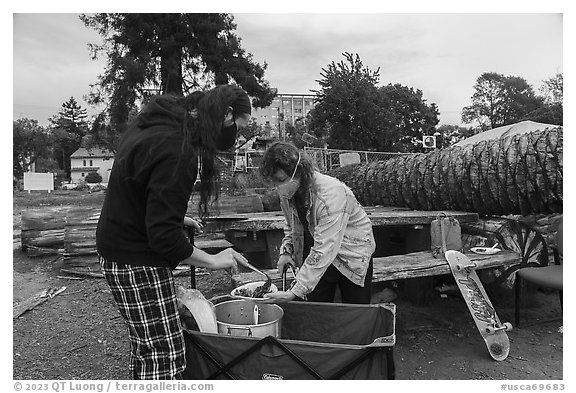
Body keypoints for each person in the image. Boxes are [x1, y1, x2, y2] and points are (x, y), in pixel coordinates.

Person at [96, 84, 252, 380]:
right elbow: (163, 239)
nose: (236, 138)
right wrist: (215, 260)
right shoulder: (177, 150)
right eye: (239, 129)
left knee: (147, 346)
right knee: (164, 355)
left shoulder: (162, 123)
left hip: (119, 247)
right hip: (136, 260)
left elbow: (140, 190)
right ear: (227, 115)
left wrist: (176, 219)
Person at [259, 142, 376, 304]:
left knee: (355, 313)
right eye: (274, 182)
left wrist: (295, 291)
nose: (278, 187)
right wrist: (286, 251)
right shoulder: (288, 193)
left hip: (352, 253)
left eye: (281, 180)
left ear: (298, 170)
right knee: (316, 309)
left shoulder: (330, 196)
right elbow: (291, 225)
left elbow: (325, 247)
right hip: (318, 251)